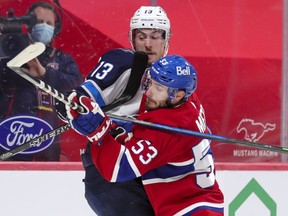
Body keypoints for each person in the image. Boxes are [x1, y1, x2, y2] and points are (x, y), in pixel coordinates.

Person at [65, 55, 225, 216]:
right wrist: (116, 130)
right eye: (151, 82)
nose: (148, 91)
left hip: (188, 210)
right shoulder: (190, 102)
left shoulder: (164, 128)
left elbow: (118, 168)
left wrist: (98, 132)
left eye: (159, 88)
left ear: (177, 95)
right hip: (204, 205)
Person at [61, 5, 171, 216]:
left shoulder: (176, 75)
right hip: (112, 165)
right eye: (141, 36)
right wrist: (75, 104)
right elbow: (86, 95)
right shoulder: (121, 61)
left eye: (155, 36)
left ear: (166, 39)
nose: (147, 44)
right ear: (132, 38)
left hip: (152, 167)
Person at [0, 1, 83, 161]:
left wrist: (44, 73)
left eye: (48, 23)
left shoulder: (63, 61)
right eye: (38, 22)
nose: (43, 26)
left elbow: (78, 88)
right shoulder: (7, 57)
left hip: (48, 148)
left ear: (55, 28)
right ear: (27, 24)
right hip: (8, 146)